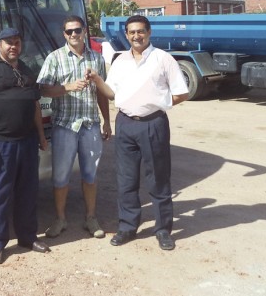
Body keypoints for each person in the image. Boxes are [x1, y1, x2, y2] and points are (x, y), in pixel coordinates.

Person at [88, 15, 189, 251]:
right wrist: (96, 79)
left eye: (141, 31)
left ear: (149, 32)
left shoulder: (163, 59)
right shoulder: (120, 60)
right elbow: (111, 93)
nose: (136, 36)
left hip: (153, 124)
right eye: (132, 32)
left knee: (158, 180)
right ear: (126, 34)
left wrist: (157, 104)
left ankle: (163, 230)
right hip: (125, 124)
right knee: (126, 180)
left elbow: (181, 93)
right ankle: (127, 227)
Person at [0, 27, 50, 264]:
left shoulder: (26, 70)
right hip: (0, 145)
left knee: (28, 192)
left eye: (17, 42)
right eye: (8, 42)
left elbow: (35, 105)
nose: (13, 46)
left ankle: (27, 237)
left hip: (27, 143)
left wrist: (41, 135)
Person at [37, 16, 111, 240]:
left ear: (84, 31)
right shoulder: (55, 58)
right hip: (65, 125)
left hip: (90, 124)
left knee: (90, 174)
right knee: (60, 176)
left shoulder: (96, 58)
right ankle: (60, 219)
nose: (73, 35)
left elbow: (102, 92)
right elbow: (43, 89)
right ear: (64, 34)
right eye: (69, 32)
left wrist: (107, 121)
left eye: (77, 30)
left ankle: (90, 217)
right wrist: (67, 87)